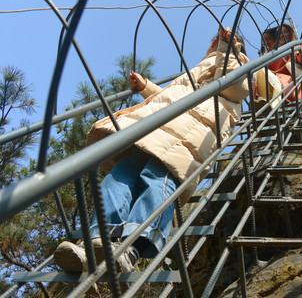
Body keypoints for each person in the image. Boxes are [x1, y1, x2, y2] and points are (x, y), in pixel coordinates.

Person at [53, 27, 249, 272]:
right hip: (157, 129)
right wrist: (146, 87)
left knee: (157, 183)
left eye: (217, 42)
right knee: (118, 178)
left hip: (188, 139)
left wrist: (228, 50)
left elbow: (233, 86)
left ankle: (130, 250)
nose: (212, 46)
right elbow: (174, 96)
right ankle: (96, 241)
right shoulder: (199, 70)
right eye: (214, 43)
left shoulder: (239, 65)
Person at [254, 23, 302, 107]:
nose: (282, 35)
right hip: (277, 82)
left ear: (290, 33)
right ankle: (264, 102)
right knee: (259, 73)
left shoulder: (296, 46)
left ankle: (271, 105)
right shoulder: (274, 53)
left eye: (285, 32)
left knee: (278, 80)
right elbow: (266, 69)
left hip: (293, 83)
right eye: (279, 34)